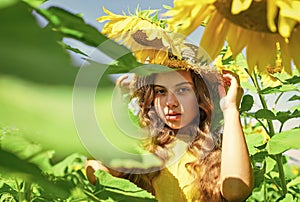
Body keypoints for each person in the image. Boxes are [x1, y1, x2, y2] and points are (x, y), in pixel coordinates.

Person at [85, 45, 254, 201]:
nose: (171, 102)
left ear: (200, 95)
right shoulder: (143, 147)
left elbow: (236, 191)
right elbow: (97, 168)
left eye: (182, 90)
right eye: (161, 91)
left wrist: (231, 108)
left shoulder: (218, 150)